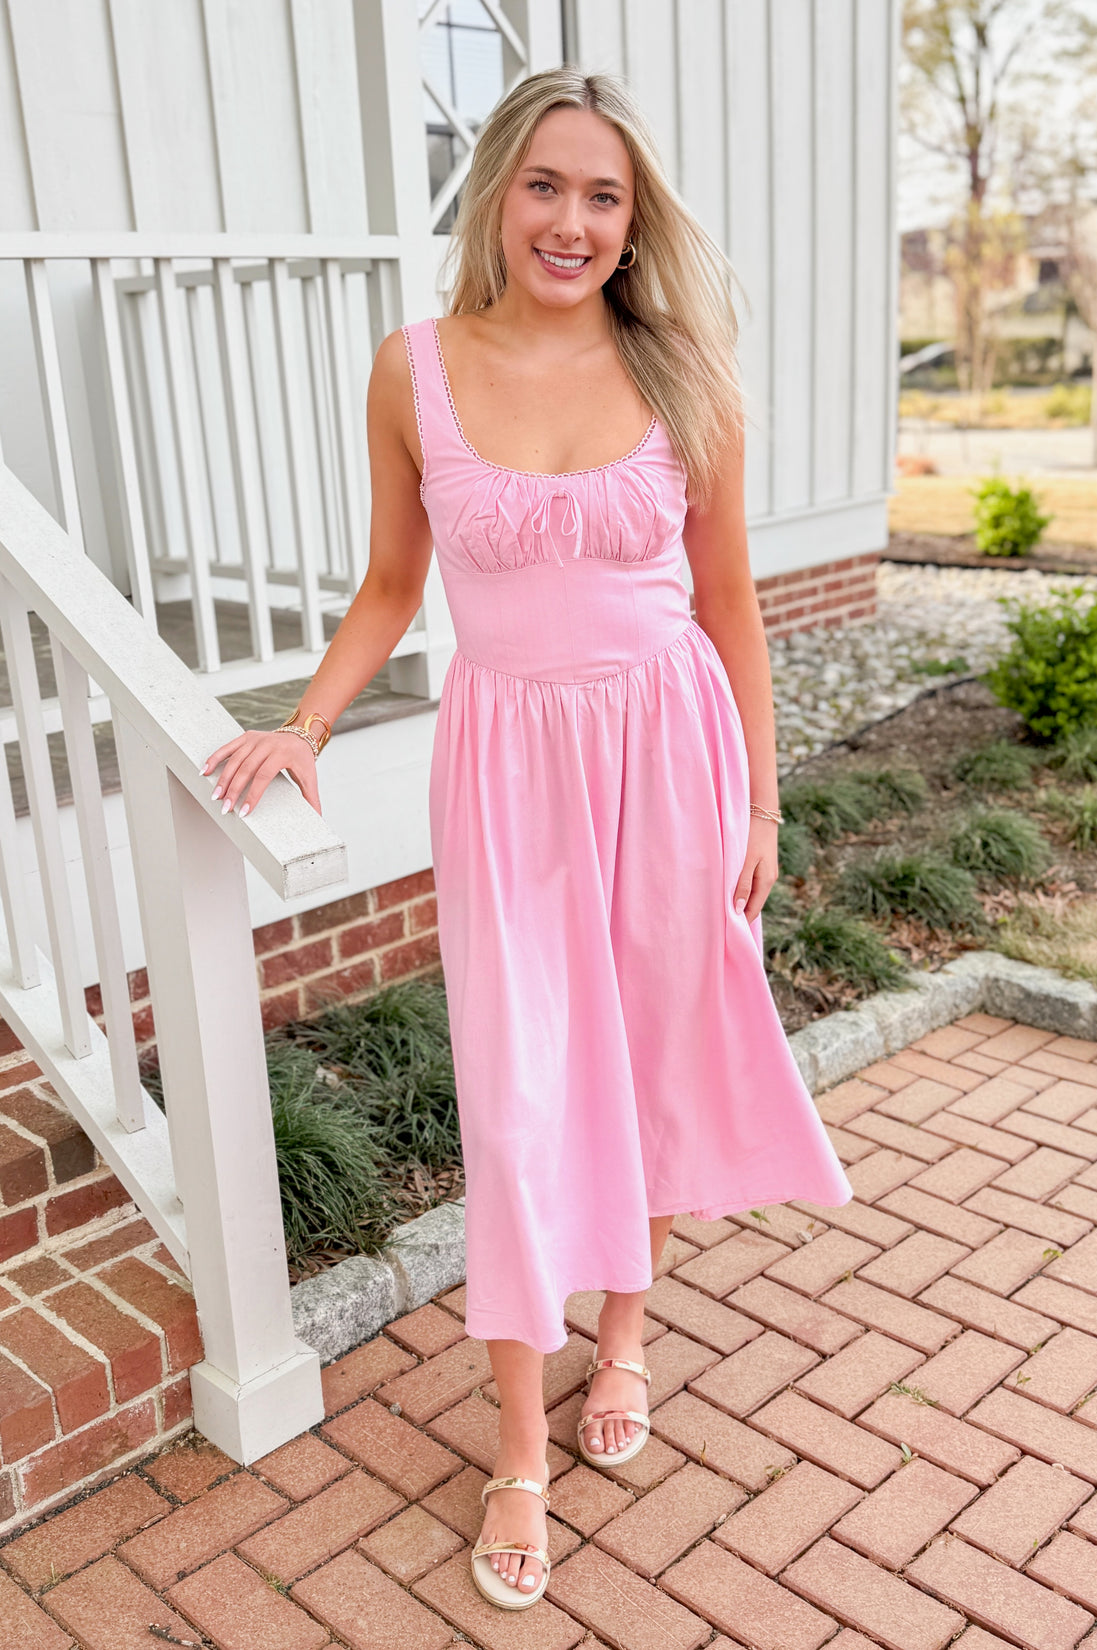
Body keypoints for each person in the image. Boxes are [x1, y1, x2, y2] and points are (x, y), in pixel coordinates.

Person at [203, 67, 853, 1614]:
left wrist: (761, 800)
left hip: (671, 755)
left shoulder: (687, 372)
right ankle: (516, 1441)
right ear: (496, 192)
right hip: (505, 773)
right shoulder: (412, 367)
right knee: (515, 1098)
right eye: (546, 185)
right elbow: (385, 587)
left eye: (604, 195)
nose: (573, 219)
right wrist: (303, 719)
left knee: (645, 1065)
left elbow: (731, 606)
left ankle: (624, 1335)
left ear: (635, 225)